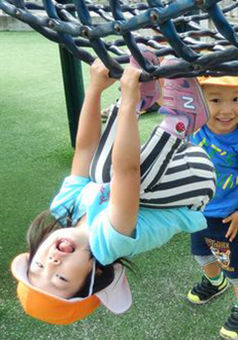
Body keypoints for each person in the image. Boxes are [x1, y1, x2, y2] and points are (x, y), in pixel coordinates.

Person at [10, 57, 215, 325]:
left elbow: (83, 149)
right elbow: (126, 172)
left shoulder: (65, 208)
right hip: (194, 182)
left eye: (38, 265)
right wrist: (127, 98)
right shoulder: (108, 245)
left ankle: (144, 93)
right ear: (93, 273)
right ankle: (182, 118)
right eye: (60, 278)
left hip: (169, 167)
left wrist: (95, 89)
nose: (51, 262)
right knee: (113, 177)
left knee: (98, 173)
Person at [174, 73, 238, 340]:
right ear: (199, 101)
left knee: (236, 267)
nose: (227, 110)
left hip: (230, 218)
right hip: (197, 211)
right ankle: (216, 283)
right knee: (201, 254)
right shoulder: (193, 126)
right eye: (216, 100)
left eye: (236, 99)